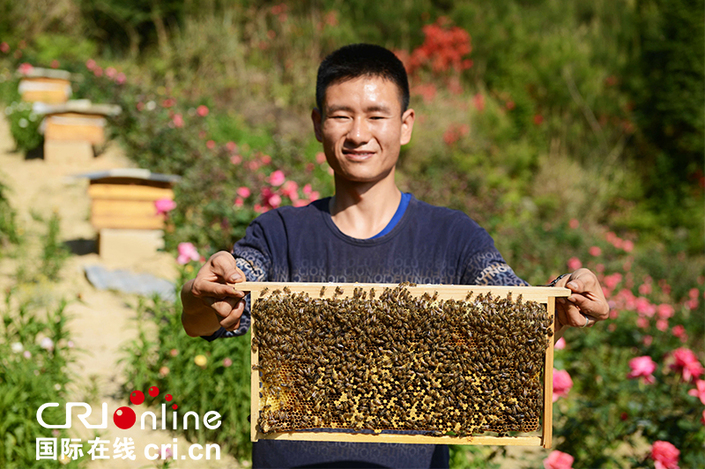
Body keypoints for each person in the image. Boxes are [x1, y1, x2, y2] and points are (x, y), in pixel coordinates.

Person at [181, 43, 609, 468]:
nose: (358, 133)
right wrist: (201, 295)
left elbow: (513, 307)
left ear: (405, 125)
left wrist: (560, 302)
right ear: (317, 123)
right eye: (341, 115)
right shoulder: (278, 233)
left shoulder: (454, 237)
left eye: (376, 115)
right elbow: (209, 313)